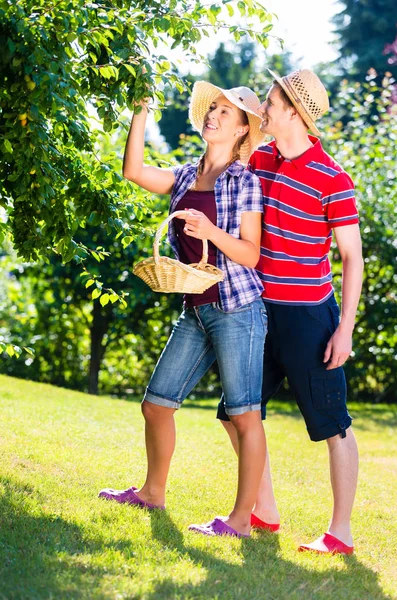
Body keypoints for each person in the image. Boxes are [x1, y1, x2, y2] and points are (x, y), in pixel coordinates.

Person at [99, 81, 268, 538]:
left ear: (241, 132)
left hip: (238, 309)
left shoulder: (245, 182)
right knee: (156, 405)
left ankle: (240, 523)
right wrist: (141, 110)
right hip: (196, 307)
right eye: (211, 109)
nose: (213, 116)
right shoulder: (185, 175)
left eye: (225, 114)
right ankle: (154, 493)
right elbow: (133, 169)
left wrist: (211, 232)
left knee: (244, 415)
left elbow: (251, 255)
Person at [217, 68, 364, 554]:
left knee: (332, 424)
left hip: (309, 319)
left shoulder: (333, 178)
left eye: (272, 104)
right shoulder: (261, 158)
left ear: (295, 114)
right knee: (234, 412)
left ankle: (339, 533)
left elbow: (350, 258)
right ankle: (266, 510)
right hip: (260, 313)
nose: (264, 110)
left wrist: (344, 330)